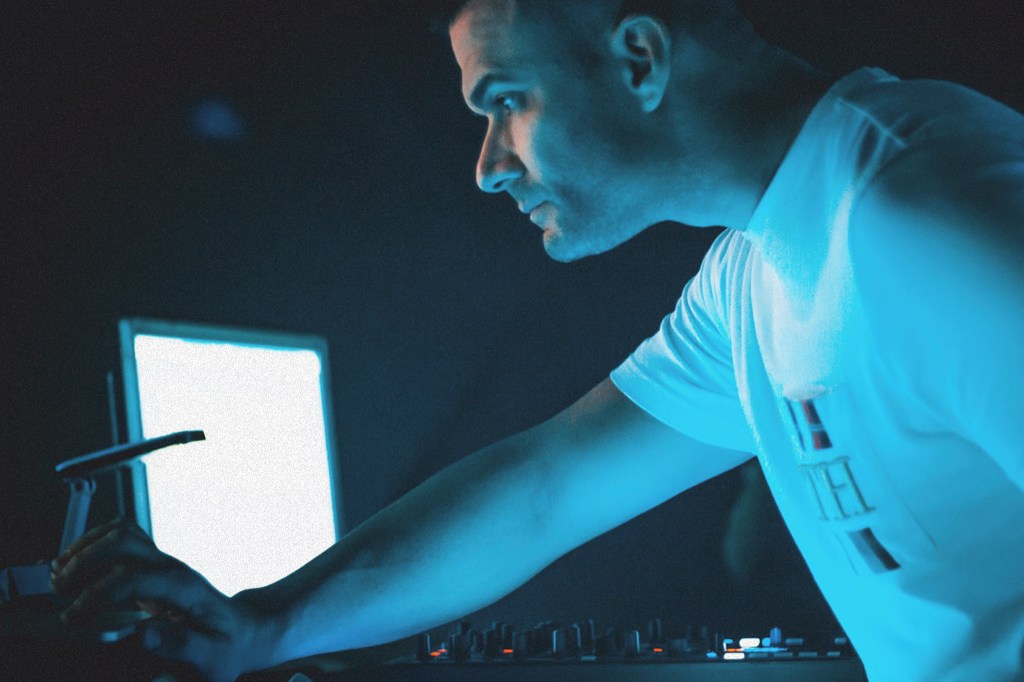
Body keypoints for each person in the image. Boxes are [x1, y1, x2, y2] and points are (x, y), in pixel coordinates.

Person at [50, 0, 1024, 680]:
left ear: (638, 59)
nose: (487, 166)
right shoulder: (757, 266)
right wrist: (264, 624)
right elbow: (546, 487)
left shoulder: (927, 219)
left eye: (507, 101)